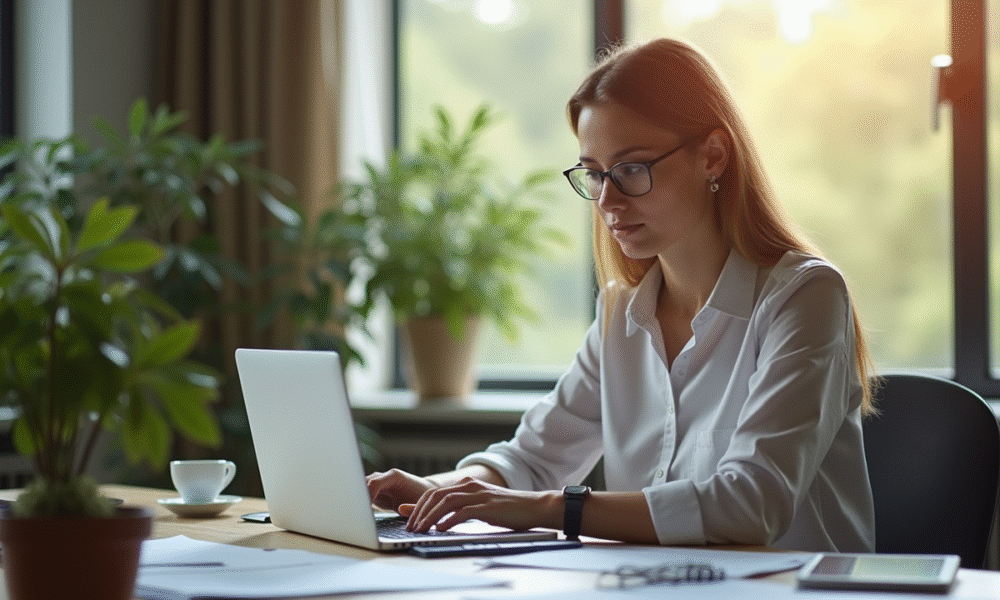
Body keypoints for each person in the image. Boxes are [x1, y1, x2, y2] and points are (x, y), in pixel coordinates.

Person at [366, 37, 877, 552]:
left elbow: (749, 504)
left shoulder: (805, 296)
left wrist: (548, 508)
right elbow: (533, 458)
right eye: (594, 173)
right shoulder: (621, 311)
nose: (607, 200)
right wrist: (438, 489)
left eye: (631, 169)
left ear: (714, 157)